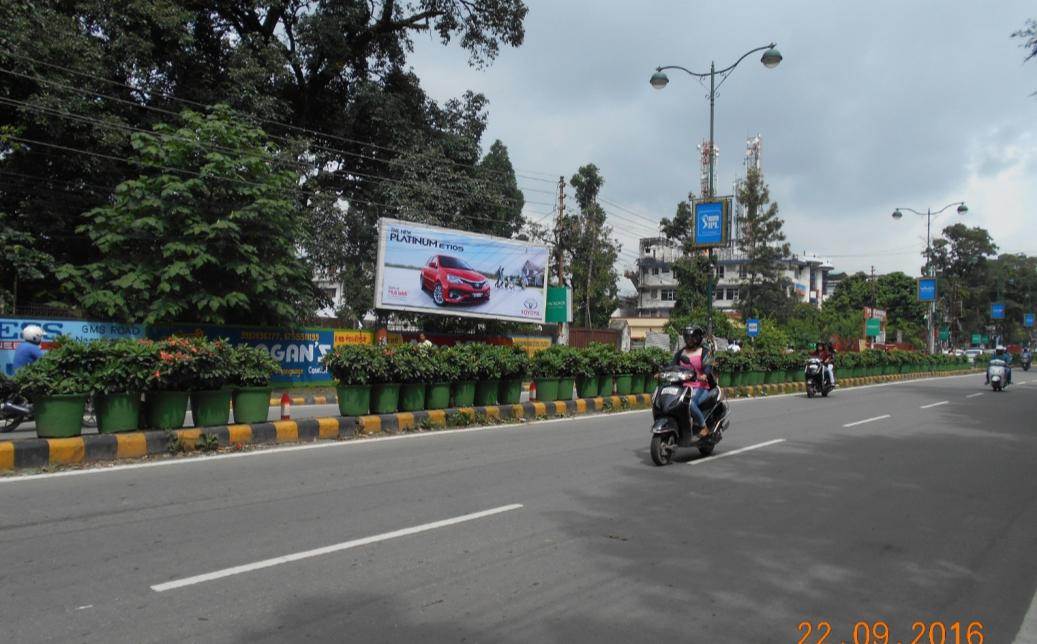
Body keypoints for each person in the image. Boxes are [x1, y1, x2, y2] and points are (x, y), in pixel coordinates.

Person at [671, 325, 714, 439]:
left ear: (699, 338)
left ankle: (703, 426)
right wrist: (661, 372)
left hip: (700, 386)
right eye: (688, 337)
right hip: (683, 387)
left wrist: (704, 374)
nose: (690, 340)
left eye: (693, 337)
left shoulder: (705, 352)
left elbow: (708, 366)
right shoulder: (680, 353)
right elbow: (672, 366)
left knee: (689, 403)